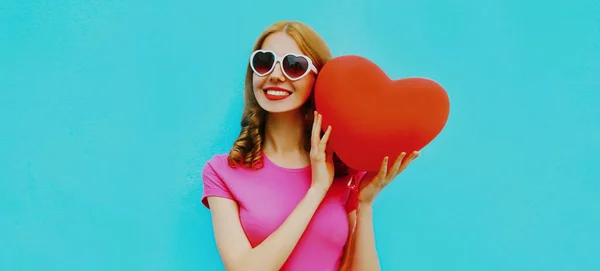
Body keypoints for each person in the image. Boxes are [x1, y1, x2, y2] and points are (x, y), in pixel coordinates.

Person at [201, 20, 419, 271]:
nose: (275, 74)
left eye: (294, 66)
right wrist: (316, 190)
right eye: (264, 62)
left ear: (319, 79)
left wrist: (364, 204)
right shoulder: (222, 172)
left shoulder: (345, 170)